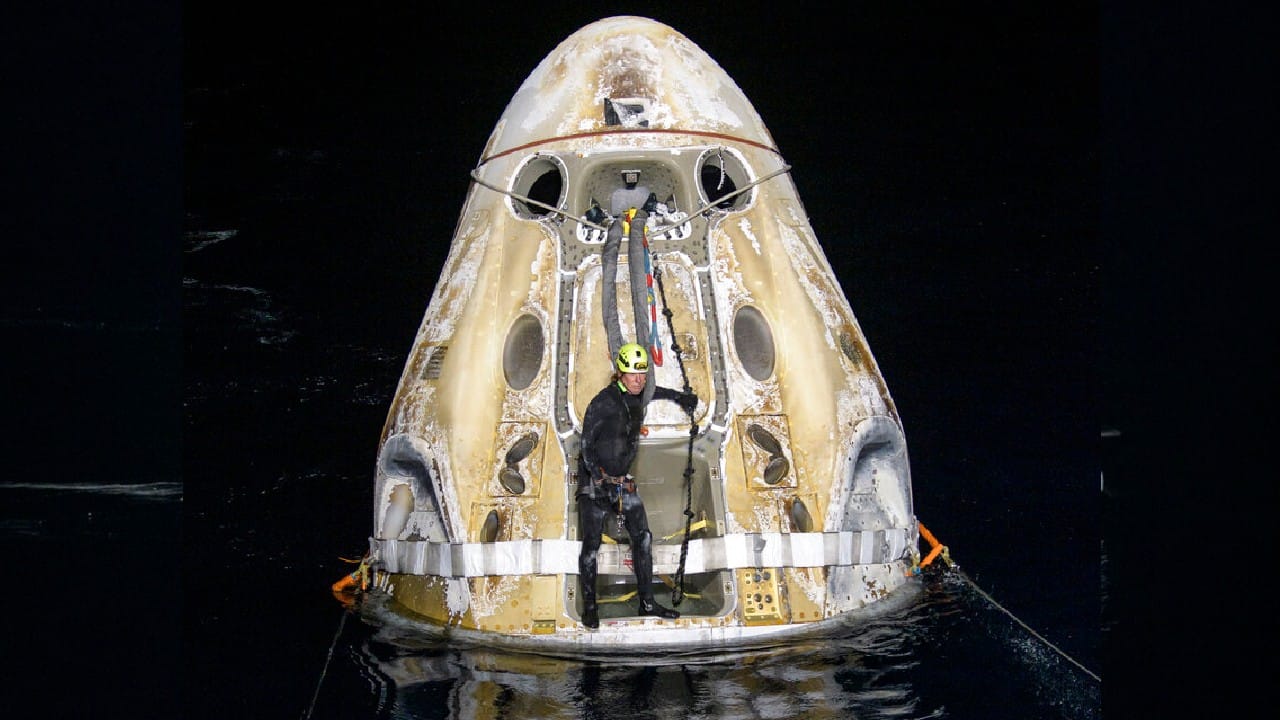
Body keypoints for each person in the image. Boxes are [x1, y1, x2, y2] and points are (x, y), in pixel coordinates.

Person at [576, 342, 697, 629]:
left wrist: (680, 397)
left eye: (642, 374)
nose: (639, 380)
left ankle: (647, 603)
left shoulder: (637, 395)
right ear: (620, 373)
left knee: (643, 537)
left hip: (622, 483)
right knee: (591, 546)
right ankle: (590, 608)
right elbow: (586, 446)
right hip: (595, 484)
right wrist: (599, 480)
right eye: (633, 374)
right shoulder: (603, 402)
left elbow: (654, 392)